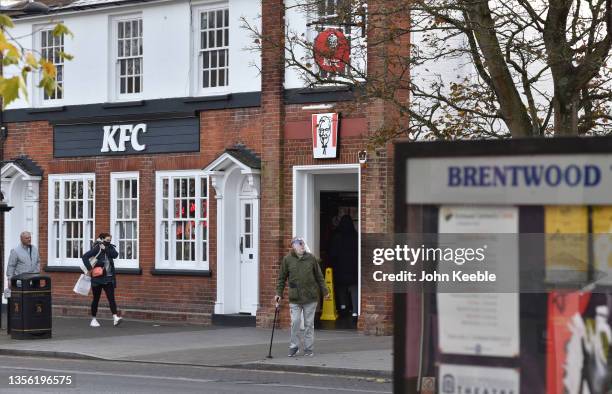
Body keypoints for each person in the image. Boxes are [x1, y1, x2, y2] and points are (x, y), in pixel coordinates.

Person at [275, 237, 329, 357]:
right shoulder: (287, 260)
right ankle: (294, 346)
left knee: (309, 324)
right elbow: (282, 279)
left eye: (303, 243)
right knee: (295, 322)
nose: (302, 246)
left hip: (311, 297)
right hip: (295, 297)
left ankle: (308, 348)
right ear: (293, 246)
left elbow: (319, 277)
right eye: (300, 244)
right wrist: (278, 293)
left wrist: (325, 291)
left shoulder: (311, 259)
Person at [82, 233, 122, 327]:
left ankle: (115, 317)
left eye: (110, 240)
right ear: (102, 239)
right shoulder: (97, 248)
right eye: (107, 240)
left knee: (111, 298)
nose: (109, 242)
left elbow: (115, 255)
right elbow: (85, 257)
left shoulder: (109, 248)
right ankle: (93, 319)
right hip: (97, 279)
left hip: (109, 278)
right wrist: (90, 269)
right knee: (96, 299)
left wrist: (106, 248)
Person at [328, 214, 359, 317]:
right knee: (354, 289)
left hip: (340, 267)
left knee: (341, 289)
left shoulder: (337, 237)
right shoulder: (356, 237)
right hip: (353, 268)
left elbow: (333, 254)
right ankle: (355, 311)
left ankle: (343, 307)